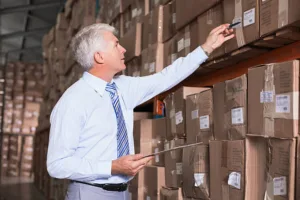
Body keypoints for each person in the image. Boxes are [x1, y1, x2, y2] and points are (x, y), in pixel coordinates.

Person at [46, 22, 234, 200]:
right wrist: (112, 167)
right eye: (116, 45)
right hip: (89, 194)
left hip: (122, 193)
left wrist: (206, 48)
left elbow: (165, 78)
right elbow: (57, 165)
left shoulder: (123, 87)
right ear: (99, 57)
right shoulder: (73, 101)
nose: (123, 49)